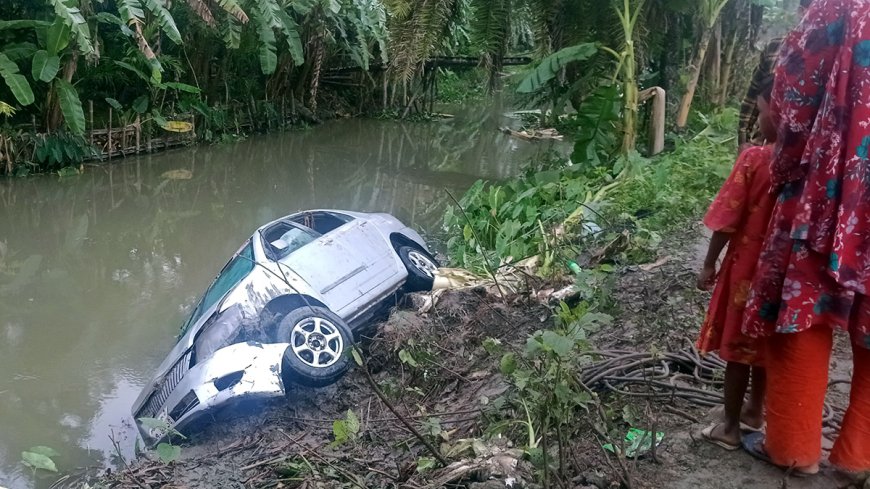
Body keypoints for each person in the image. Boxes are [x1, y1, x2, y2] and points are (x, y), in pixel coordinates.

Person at [741, 0, 870, 476]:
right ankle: (860, 456)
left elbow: (791, 108)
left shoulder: (832, 10)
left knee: (803, 307)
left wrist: (787, 167)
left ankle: (794, 449)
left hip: (828, 189)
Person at [697, 77, 778, 451]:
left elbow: (728, 218)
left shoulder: (755, 159)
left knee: (737, 350)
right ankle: (755, 411)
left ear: (777, 114)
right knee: (764, 345)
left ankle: (729, 427)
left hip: (746, 269)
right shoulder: (810, 162)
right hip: (783, 274)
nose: (758, 119)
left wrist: (709, 264)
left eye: (760, 110)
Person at [737, 0, 814, 147]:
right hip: (764, 145)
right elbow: (753, 96)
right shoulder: (776, 47)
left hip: (802, 152)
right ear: (802, 12)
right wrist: (743, 141)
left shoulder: (838, 60)